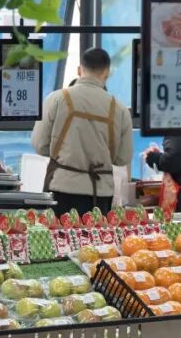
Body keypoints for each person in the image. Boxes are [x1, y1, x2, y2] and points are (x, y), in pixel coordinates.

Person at [33, 48, 133, 216]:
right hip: (100, 194)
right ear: (107, 73)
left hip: (61, 189)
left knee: (59, 233)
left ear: (79, 70)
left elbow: (40, 145)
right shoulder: (120, 109)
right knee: (96, 234)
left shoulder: (56, 99)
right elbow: (122, 158)